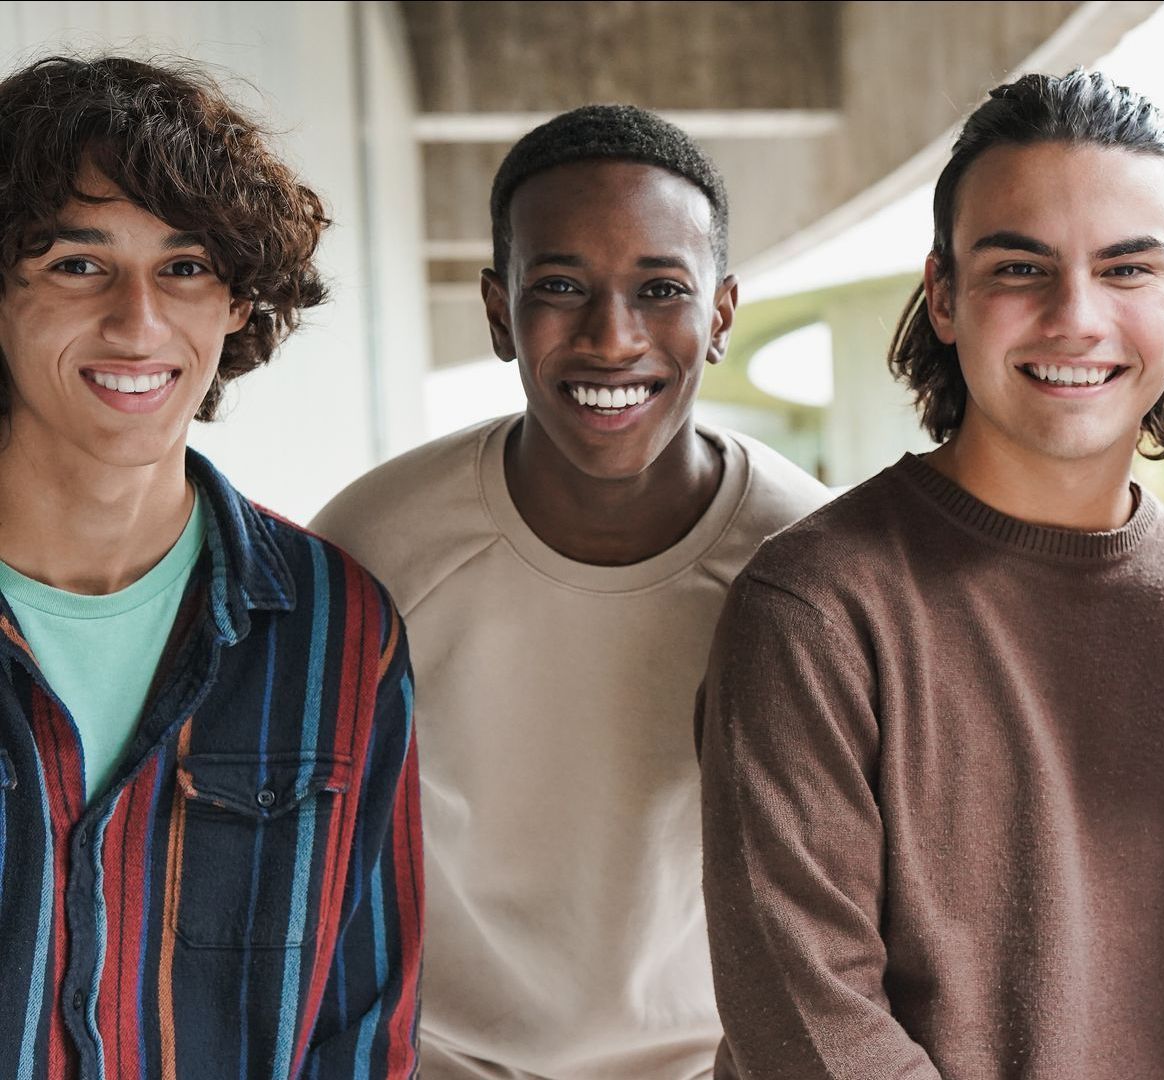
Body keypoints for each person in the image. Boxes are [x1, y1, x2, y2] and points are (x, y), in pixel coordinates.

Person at [698, 69, 1164, 1079]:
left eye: (1126, 270)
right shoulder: (815, 606)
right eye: (1020, 269)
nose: (1075, 317)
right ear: (944, 295)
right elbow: (807, 1016)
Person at [312, 104, 828, 1079]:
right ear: (499, 313)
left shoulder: (811, 563)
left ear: (720, 316)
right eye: (559, 286)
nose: (611, 336)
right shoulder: (373, 547)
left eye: (661, 288)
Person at [0, 55, 420, 1078]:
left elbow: (362, 1025)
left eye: (184, 267)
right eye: (76, 264)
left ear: (238, 301)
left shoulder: (336, 628)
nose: (139, 322)